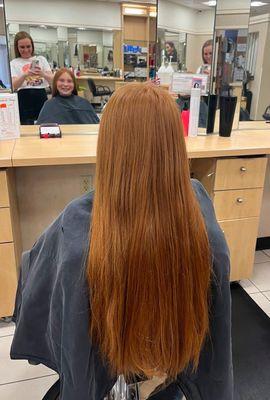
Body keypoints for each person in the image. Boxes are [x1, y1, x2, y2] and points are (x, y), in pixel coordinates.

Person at [10, 83, 233, 400]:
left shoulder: (77, 226)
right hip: (173, 350)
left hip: (116, 353)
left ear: (110, 144)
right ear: (174, 144)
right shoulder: (197, 199)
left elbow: (39, 274)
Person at [10, 31, 53, 125]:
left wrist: (42, 73)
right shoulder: (14, 63)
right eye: (22, 47)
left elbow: (52, 80)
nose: (25, 50)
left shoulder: (41, 59)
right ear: (17, 48)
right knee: (26, 126)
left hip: (41, 95)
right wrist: (25, 75)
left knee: (44, 124)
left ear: (32, 46)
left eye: (28, 46)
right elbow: (14, 86)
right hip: (23, 97)